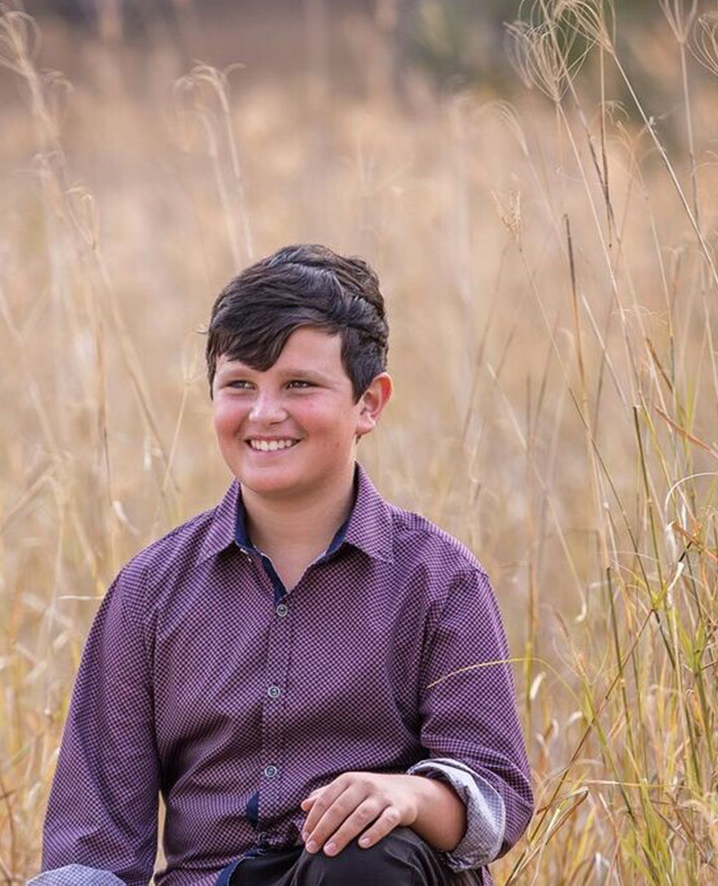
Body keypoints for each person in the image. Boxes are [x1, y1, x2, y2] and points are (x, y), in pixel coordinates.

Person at [33, 245, 533, 886]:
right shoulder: (149, 591)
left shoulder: (439, 580)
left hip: (365, 877)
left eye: (299, 385)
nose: (265, 414)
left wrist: (409, 797)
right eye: (239, 384)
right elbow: (91, 844)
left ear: (369, 404)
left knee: (365, 857)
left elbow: (497, 797)